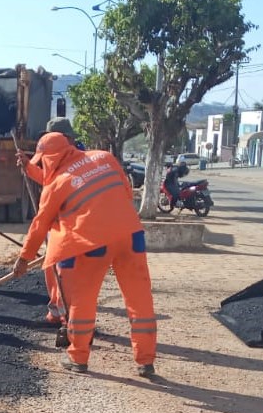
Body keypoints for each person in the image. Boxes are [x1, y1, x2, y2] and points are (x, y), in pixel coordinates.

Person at [12, 132, 157, 378]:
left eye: (42, 160)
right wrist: (29, 168)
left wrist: (24, 257)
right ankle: (146, 361)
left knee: (82, 300)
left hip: (92, 245)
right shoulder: (105, 157)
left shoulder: (57, 183)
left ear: (52, 157)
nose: (42, 164)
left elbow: (40, 223)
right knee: (139, 299)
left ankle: (78, 357)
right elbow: (124, 190)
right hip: (131, 235)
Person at [16, 116, 83, 328]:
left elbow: (43, 214)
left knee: (66, 273)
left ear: (67, 139)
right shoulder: (55, 156)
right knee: (51, 268)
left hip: (71, 228)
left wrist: (24, 257)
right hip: (55, 225)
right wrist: (28, 166)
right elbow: (47, 180)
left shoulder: (80, 160)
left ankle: (69, 319)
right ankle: (55, 310)